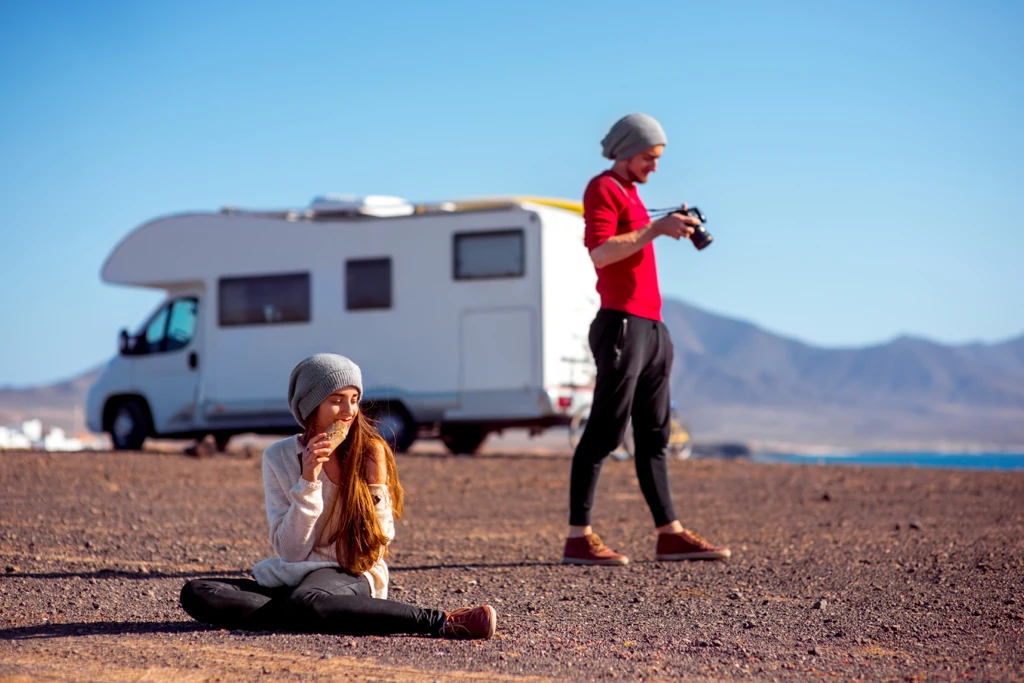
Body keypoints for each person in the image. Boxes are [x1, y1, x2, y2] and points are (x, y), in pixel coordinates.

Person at [180, 353, 497, 639]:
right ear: (310, 406)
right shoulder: (277, 457)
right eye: (336, 400)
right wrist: (308, 480)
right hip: (293, 575)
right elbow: (290, 551)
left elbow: (378, 544)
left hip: (350, 571)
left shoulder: (369, 452)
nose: (348, 411)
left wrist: (375, 485)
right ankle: (304, 614)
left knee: (307, 601)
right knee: (197, 591)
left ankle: (440, 621)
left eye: (354, 399)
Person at [562, 113, 731, 566]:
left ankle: (669, 534)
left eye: (657, 159)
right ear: (624, 150)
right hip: (621, 324)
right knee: (604, 432)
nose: (654, 167)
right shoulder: (602, 188)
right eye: (648, 158)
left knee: (656, 435)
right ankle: (578, 538)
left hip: (652, 326)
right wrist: (656, 229)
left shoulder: (632, 194)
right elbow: (601, 252)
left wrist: (665, 224)